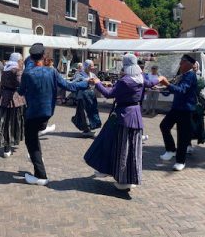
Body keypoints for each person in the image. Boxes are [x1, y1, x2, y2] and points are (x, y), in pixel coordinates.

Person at [84, 54, 168, 191]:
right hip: (135, 115)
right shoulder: (140, 78)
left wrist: (97, 83)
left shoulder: (125, 81)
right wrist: (161, 78)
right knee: (130, 148)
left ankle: (118, 176)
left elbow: (109, 94)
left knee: (116, 145)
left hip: (123, 116)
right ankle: (114, 172)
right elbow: (151, 83)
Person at [18, 43, 88, 186]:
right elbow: (69, 86)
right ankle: (37, 154)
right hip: (48, 112)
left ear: (31, 57)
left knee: (30, 141)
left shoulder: (27, 73)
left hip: (33, 113)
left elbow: (20, 92)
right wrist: (86, 83)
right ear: (43, 56)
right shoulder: (52, 71)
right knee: (35, 137)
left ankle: (40, 175)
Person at [159, 54, 198, 171]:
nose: (180, 65)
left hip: (186, 110)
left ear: (189, 64)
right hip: (177, 107)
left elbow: (181, 90)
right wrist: (163, 88)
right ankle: (171, 149)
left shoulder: (190, 75)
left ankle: (180, 161)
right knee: (164, 126)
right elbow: (174, 89)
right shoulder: (182, 75)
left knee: (182, 136)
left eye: (182, 62)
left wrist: (167, 84)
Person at [0, 52, 25, 158]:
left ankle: (6, 147)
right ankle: (8, 147)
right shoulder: (16, 70)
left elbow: (1, 83)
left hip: (2, 97)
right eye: (21, 60)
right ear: (18, 60)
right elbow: (20, 83)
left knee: (3, 123)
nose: (22, 61)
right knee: (11, 123)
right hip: (12, 99)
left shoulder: (6, 68)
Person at [71, 60, 102, 137]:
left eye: (92, 66)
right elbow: (74, 82)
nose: (92, 68)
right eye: (90, 66)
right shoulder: (80, 74)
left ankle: (89, 127)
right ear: (86, 67)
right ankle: (86, 129)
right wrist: (86, 80)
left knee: (92, 112)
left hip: (91, 96)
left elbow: (98, 81)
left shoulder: (92, 74)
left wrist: (102, 83)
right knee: (84, 113)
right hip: (83, 96)